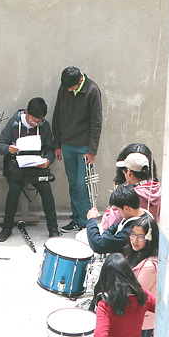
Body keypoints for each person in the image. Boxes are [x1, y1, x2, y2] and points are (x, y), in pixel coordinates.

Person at [0, 97, 60, 242]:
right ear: (26, 113)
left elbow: (49, 148)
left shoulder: (44, 125)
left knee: (45, 187)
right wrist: (8, 148)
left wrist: (47, 161)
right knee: (14, 188)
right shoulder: (14, 122)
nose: (35, 123)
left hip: (36, 164)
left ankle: (53, 228)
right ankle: (7, 227)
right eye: (33, 120)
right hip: (16, 164)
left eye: (39, 121)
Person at [52, 66, 103, 232]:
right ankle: (76, 220)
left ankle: (86, 223)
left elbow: (96, 122)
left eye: (71, 87)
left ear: (80, 80)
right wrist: (57, 144)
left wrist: (92, 151)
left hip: (84, 147)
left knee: (83, 185)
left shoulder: (92, 90)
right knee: (73, 184)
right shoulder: (65, 87)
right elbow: (57, 115)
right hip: (66, 144)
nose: (68, 90)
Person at [100, 148, 162, 229]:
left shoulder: (129, 195)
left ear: (129, 172)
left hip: (130, 236)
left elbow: (108, 225)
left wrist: (108, 211)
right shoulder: (157, 188)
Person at [85, 184, 146, 254]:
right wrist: (105, 236)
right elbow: (115, 226)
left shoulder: (133, 230)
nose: (119, 213)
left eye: (118, 210)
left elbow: (98, 245)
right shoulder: (138, 213)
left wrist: (91, 220)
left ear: (126, 208)